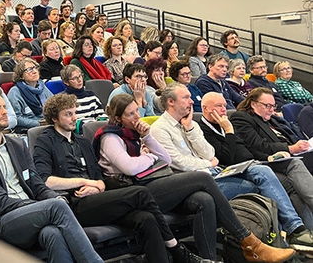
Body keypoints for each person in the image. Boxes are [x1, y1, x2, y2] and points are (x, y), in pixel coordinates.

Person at [96, 93, 296, 262]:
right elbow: (130, 169)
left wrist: (147, 138)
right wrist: (148, 156)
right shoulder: (110, 137)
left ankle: (208, 259)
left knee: (204, 200)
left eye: (137, 111)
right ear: (117, 117)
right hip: (134, 193)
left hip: (154, 183)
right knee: (203, 179)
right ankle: (249, 242)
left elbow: (163, 158)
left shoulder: (136, 134)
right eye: (130, 114)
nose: (136, 117)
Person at [33, 94, 209, 263]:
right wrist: (86, 182)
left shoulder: (82, 142)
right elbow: (45, 180)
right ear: (54, 118)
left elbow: (99, 178)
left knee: (146, 218)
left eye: (74, 113)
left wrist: (97, 186)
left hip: (97, 197)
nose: (74, 118)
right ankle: (176, 249)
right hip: (73, 203)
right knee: (140, 192)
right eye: (68, 114)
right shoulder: (45, 141)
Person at [0, 87, 104, 263]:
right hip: (3, 221)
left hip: (33, 214)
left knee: (53, 232)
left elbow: (36, 183)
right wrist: (42, 205)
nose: (5, 111)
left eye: (4, 106)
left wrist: (53, 198)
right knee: (55, 207)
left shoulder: (17, 144)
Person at [200, 92, 313, 230]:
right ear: (205, 108)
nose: (224, 109)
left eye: (224, 105)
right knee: (289, 176)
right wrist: (229, 130)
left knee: (293, 170)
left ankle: (305, 232)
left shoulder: (225, 123)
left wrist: (269, 158)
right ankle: (299, 230)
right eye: (219, 106)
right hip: (235, 170)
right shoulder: (205, 129)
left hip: (253, 164)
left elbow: (245, 151)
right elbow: (227, 157)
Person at [230, 88, 312, 168]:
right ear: (253, 104)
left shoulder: (271, 119)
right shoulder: (242, 118)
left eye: (273, 106)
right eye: (268, 106)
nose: (272, 110)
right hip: (275, 158)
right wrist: (291, 148)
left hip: (294, 153)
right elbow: (259, 146)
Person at [7, 58, 53, 132]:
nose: (34, 71)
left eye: (35, 68)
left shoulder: (42, 86)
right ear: (21, 76)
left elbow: (55, 104)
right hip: (30, 129)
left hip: (48, 124)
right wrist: (38, 124)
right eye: (29, 70)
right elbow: (16, 117)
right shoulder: (15, 92)